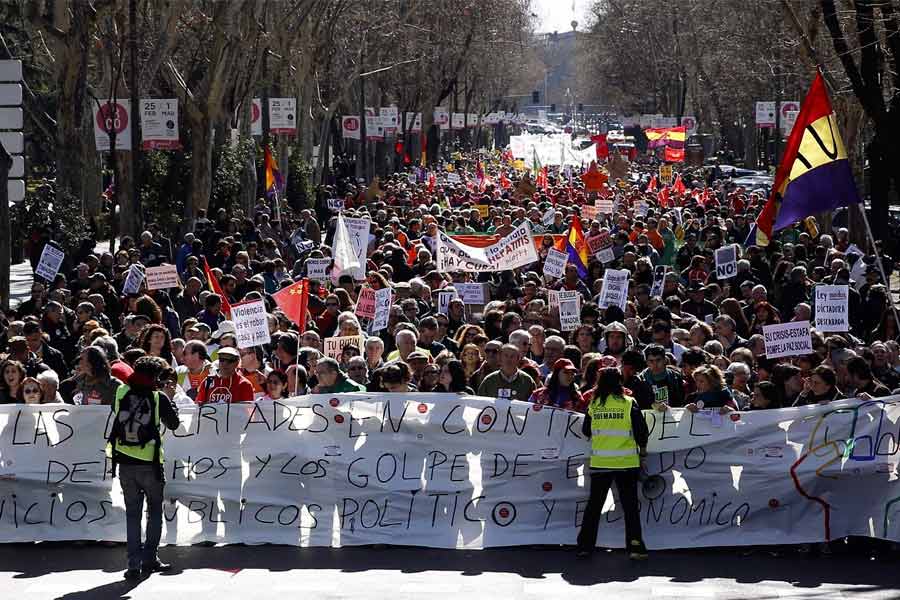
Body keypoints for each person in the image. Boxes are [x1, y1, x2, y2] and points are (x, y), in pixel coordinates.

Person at [106, 356, 181, 580]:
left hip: (125, 462)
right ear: (156, 377)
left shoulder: (121, 392)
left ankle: (133, 564)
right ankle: (150, 559)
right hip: (150, 464)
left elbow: (115, 410)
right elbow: (174, 424)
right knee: (154, 511)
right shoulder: (159, 398)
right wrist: (171, 399)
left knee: (132, 514)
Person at [576, 367, 649, 560]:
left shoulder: (594, 405)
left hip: (601, 462)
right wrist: (642, 451)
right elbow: (641, 431)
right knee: (630, 507)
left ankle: (584, 546)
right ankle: (635, 547)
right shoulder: (628, 403)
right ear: (619, 382)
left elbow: (586, 430)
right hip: (626, 463)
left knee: (594, 506)